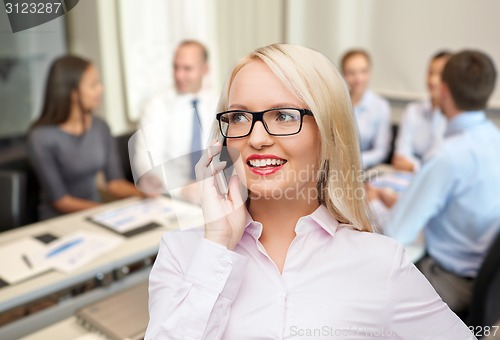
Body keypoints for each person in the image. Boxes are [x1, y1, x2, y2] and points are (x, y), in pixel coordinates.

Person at [145, 44, 474, 339]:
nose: (257, 138)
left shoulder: (380, 263)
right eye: (240, 117)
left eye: (284, 115)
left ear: (329, 134)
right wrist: (217, 244)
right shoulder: (181, 254)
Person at [385, 50, 500, 315]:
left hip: (450, 280)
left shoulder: (447, 156)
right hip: (486, 281)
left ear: (443, 91)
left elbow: (396, 234)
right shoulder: (495, 138)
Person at [27, 55, 144, 220]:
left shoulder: (100, 126)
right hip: (60, 221)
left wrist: (145, 194)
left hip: (95, 214)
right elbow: (61, 201)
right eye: (93, 85)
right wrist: (107, 212)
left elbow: (114, 183)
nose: (100, 89)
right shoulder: (40, 138)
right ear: (73, 93)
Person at [131, 40, 218, 196]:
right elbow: (147, 162)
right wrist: (182, 190)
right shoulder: (156, 107)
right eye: (176, 67)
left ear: (205, 69)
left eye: (187, 69)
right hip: (170, 196)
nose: (179, 75)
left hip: (215, 192)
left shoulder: (218, 104)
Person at [392, 51, 451, 172]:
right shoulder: (412, 111)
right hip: (408, 178)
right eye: (430, 72)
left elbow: (442, 164)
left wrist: (414, 166)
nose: (433, 80)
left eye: (440, 74)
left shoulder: (454, 117)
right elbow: (400, 156)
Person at [341, 49, 391, 169]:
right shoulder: (336, 102)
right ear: (343, 74)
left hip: (363, 168)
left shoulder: (380, 106)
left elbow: (381, 151)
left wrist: (355, 161)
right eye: (351, 73)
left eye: (363, 71)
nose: (358, 79)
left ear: (370, 72)